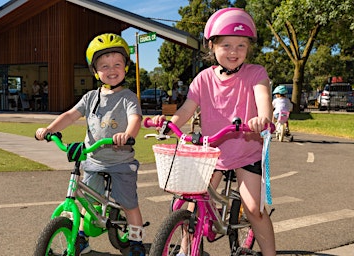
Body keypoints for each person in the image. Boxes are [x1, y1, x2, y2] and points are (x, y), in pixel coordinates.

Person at [149, 8, 276, 256]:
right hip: (210, 153)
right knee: (189, 202)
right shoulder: (203, 79)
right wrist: (169, 123)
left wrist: (263, 119)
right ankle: (186, 250)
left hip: (246, 151)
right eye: (226, 44)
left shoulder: (256, 73)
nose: (234, 51)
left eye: (241, 45)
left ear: (249, 47)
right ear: (212, 45)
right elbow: (187, 108)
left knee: (253, 209)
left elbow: (263, 97)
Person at [35, 33, 146, 255]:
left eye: (117, 64)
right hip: (93, 159)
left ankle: (135, 241)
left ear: (126, 67)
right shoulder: (90, 98)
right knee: (87, 202)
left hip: (120, 162)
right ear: (95, 71)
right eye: (104, 66)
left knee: (129, 204)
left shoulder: (128, 97)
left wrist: (127, 134)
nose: (111, 69)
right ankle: (82, 238)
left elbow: (135, 119)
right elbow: (69, 115)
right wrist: (50, 129)